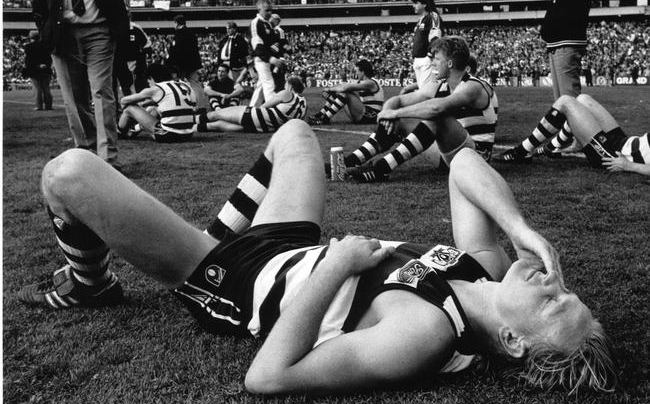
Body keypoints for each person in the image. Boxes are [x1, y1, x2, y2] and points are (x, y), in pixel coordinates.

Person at [15, 119, 615, 396]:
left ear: (512, 340)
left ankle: (89, 281)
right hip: (287, 245)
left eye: (556, 302)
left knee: (69, 174)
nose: (556, 282)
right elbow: (462, 164)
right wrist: (521, 229)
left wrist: (339, 265)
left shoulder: (425, 334)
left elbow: (268, 377)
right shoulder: (480, 270)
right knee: (296, 134)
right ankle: (214, 230)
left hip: (237, 279)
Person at [32, 0, 129, 168]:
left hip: (99, 30)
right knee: (75, 99)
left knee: (102, 91)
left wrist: (119, 27)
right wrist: (46, 32)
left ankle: (109, 160)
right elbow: (39, 0)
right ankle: (87, 155)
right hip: (62, 34)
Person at [344, 38, 497, 183]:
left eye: (437, 59)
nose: (433, 63)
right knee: (398, 120)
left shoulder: (473, 86)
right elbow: (399, 100)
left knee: (437, 117)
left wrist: (395, 112)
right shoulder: (439, 84)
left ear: (449, 63)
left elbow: (437, 108)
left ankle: (380, 169)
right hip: (449, 154)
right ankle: (349, 163)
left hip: (476, 159)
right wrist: (389, 112)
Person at [496, 94, 650, 174]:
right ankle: (552, 147)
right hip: (625, 143)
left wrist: (628, 165)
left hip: (614, 156)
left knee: (566, 102)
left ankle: (521, 152)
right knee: (583, 99)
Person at [541, 0, 592, 100]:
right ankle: (567, 126)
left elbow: (571, 17)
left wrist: (549, 29)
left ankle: (577, 126)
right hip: (558, 45)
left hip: (566, 45)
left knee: (569, 100)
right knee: (562, 101)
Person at [195, 75, 307, 133]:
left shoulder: (287, 93)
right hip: (267, 128)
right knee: (218, 125)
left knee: (218, 114)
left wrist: (253, 109)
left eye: (286, 85)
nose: (284, 87)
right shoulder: (304, 104)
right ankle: (195, 128)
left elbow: (264, 106)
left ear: (291, 86)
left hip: (257, 116)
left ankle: (191, 121)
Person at [117, 64, 196, 143]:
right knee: (154, 108)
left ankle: (119, 132)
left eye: (148, 81)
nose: (149, 84)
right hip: (188, 134)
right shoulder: (182, 85)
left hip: (168, 135)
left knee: (129, 109)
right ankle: (134, 129)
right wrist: (145, 105)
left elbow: (124, 100)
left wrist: (131, 108)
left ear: (151, 78)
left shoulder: (156, 89)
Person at [307, 59, 384, 125]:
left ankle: (325, 119)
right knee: (338, 92)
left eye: (357, 71)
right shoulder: (363, 82)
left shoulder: (370, 82)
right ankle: (320, 115)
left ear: (362, 71)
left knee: (345, 93)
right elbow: (343, 85)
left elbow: (345, 87)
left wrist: (329, 89)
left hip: (371, 116)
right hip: (366, 114)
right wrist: (331, 91)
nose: (356, 73)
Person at [401, 0, 443, 95]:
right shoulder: (420, 20)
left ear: (424, 4)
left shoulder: (432, 16)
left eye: (416, 3)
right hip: (418, 60)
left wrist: (430, 56)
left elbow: (435, 35)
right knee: (423, 91)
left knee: (426, 94)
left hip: (426, 59)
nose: (413, 6)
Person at [166, 14, 208, 111]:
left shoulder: (178, 33)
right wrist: (199, 65)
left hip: (181, 66)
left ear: (176, 23)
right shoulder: (192, 33)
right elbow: (195, 50)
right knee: (195, 84)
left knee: (175, 84)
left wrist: (169, 64)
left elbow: (176, 51)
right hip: (193, 64)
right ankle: (201, 106)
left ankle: (177, 105)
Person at [249, 0, 280, 107]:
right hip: (261, 58)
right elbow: (257, 45)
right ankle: (273, 110)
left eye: (271, 10)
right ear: (259, 9)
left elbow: (272, 44)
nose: (270, 13)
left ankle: (251, 110)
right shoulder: (256, 22)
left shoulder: (268, 24)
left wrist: (276, 55)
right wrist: (270, 58)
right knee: (269, 84)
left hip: (267, 58)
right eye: (267, 10)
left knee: (261, 87)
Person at [113, 13, 151, 96]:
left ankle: (132, 101)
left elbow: (147, 44)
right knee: (127, 84)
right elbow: (147, 44)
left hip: (130, 61)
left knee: (130, 84)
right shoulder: (119, 27)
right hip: (125, 61)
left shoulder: (134, 28)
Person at [22, 30, 53, 111]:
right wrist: (45, 65)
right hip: (46, 69)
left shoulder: (28, 47)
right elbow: (49, 58)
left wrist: (36, 66)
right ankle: (48, 106)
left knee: (38, 89)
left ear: (31, 37)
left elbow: (28, 60)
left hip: (34, 70)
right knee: (46, 88)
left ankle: (39, 106)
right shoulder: (45, 45)